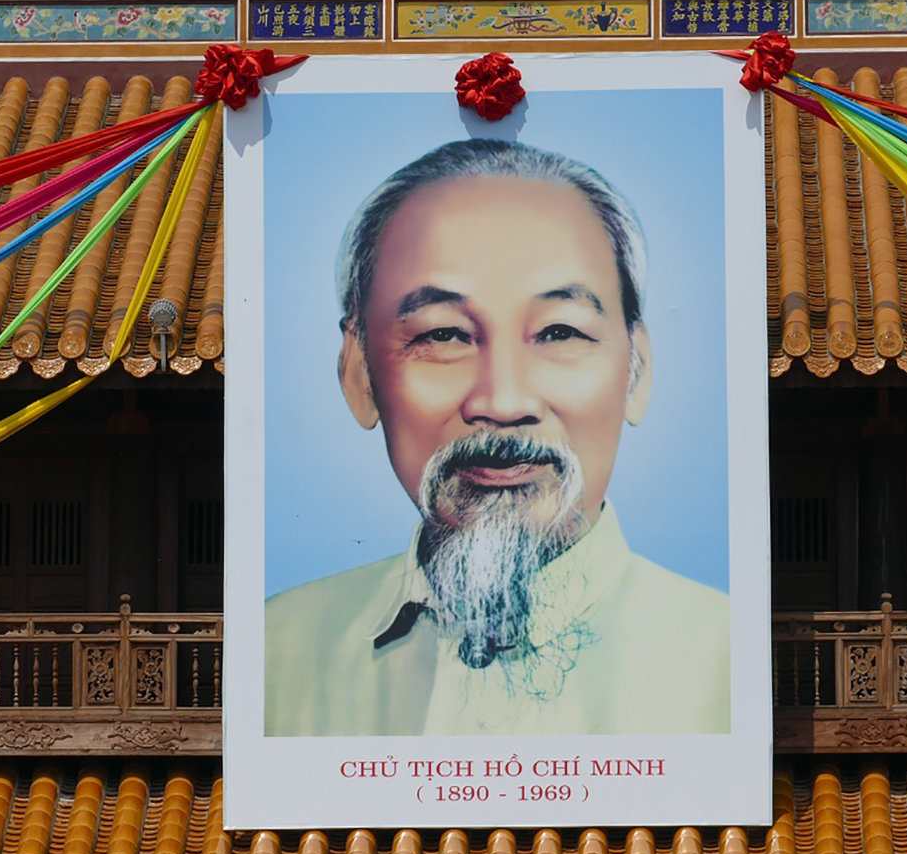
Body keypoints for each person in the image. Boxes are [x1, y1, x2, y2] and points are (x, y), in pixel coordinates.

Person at [264, 139, 729, 737]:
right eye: (443, 335)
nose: (503, 403)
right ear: (358, 373)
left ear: (637, 370)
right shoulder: (272, 657)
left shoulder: (730, 664)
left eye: (560, 331)